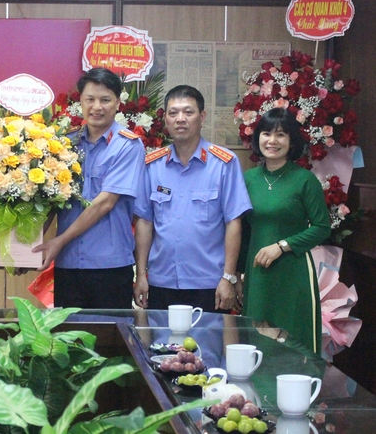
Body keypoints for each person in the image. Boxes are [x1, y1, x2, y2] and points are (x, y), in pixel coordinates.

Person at [31, 68, 145, 309]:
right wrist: (27, 247)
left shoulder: (128, 146)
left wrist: (59, 241)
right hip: (68, 265)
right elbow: (52, 201)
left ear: (117, 104)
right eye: (90, 99)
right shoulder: (65, 145)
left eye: (105, 100)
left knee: (110, 342)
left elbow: (105, 203)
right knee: (68, 341)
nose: (97, 107)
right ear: (80, 102)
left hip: (110, 267)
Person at [134, 85, 252, 313]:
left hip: (210, 283)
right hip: (162, 281)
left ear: (202, 117)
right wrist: (141, 275)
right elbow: (144, 221)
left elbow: (234, 223)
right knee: (161, 347)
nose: (180, 119)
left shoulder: (224, 163)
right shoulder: (152, 165)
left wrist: (229, 278)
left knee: (210, 348)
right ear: (165, 119)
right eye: (173, 113)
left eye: (188, 112)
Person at [238, 107, 330, 354]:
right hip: (257, 273)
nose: (272, 141)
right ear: (258, 138)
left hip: (293, 271)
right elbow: (242, 230)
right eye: (266, 133)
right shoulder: (248, 179)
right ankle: (259, 392)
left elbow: (322, 227)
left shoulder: (304, 180)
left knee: (294, 342)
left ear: (291, 142)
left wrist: (282, 246)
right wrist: (236, 273)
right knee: (256, 338)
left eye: (281, 135)